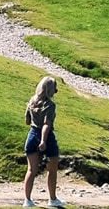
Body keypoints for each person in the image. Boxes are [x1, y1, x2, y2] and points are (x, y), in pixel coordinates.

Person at [24, 75, 63, 206]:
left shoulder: (32, 101)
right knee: (52, 169)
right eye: (55, 89)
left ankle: (27, 200)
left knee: (31, 170)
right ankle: (52, 199)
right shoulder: (50, 105)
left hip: (32, 135)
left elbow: (27, 121)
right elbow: (47, 124)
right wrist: (43, 141)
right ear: (50, 90)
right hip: (46, 137)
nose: (56, 92)